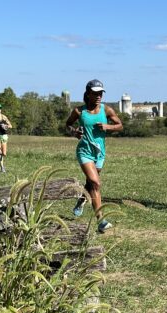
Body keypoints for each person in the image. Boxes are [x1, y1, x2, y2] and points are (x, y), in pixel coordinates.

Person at [65, 79, 123, 233]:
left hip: (100, 152)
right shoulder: (79, 111)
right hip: (84, 151)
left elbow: (120, 125)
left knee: (91, 184)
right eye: (95, 93)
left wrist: (107, 126)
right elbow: (68, 124)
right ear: (88, 93)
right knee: (96, 183)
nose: (98, 96)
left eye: (100, 93)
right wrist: (74, 132)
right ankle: (101, 220)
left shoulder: (107, 110)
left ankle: (81, 200)